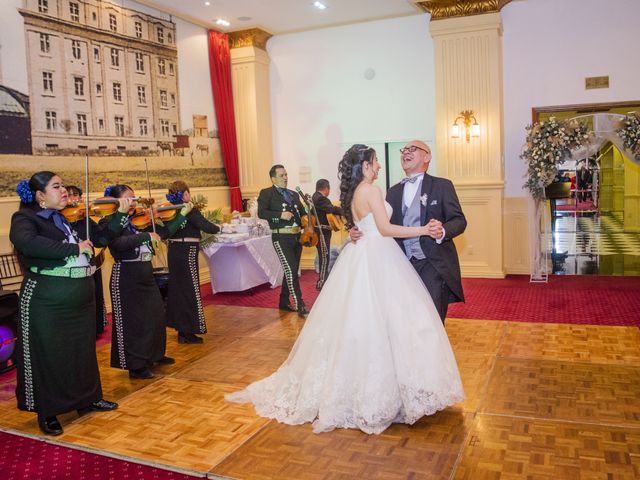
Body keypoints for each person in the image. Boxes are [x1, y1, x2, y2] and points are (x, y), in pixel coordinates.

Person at [226, 145, 464, 435]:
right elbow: (386, 229)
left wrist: (358, 232)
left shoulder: (354, 193)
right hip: (379, 256)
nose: (379, 167)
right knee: (388, 323)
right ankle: (381, 394)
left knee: (359, 324)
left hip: (362, 253)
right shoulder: (374, 191)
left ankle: (374, 387)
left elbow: (364, 225)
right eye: (375, 162)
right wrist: (424, 229)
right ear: (365, 165)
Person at [9, 172, 132, 436]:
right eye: (57, 186)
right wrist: (74, 249)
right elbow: (29, 244)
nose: (64, 190)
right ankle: (48, 410)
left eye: (63, 185)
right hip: (48, 300)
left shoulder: (69, 217)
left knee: (82, 352)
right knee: (50, 355)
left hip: (79, 297)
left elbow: (102, 239)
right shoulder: (25, 219)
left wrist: (121, 214)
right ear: (40, 195)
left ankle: (87, 398)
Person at [352, 140, 466, 323]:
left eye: (413, 149)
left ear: (427, 156)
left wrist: (442, 230)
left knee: (432, 322)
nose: (406, 152)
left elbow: (459, 221)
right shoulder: (393, 192)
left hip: (432, 264)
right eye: (404, 149)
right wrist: (358, 230)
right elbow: (381, 225)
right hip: (400, 265)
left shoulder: (442, 186)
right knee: (404, 322)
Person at [104, 184, 192, 380]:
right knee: (133, 322)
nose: (133, 202)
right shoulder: (111, 222)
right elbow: (118, 244)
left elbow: (165, 233)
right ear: (116, 201)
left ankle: (154, 355)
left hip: (145, 272)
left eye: (134, 198)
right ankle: (136, 365)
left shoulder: (138, 220)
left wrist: (181, 216)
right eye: (128, 199)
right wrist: (145, 236)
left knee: (154, 315)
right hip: (126, 274)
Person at [165, 181, 220, 344]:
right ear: (186, 194)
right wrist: (220, 228)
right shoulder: (188, 209)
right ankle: (187, 331)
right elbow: (205, 226)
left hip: (174, 251)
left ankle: (182, 329)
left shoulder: (169, 208)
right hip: (186, 250)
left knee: (178, 290)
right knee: (191, 290)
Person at [257, 165, 309, 317]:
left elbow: (303, 212)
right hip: (281, 237)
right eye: (281, 175)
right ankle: (300, 304)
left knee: (290, 271)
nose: (285, 177)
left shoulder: (293, 194)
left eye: (286, 174)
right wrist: (279, 215)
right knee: (291, 270)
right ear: (273, 178)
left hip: (297, 237)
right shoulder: (267, 193)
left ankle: (283, 301)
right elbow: (261, 212)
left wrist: (308, 212)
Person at [66, 185, 109, 335]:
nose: (73, 199)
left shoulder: (85, 218)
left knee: (94, 296)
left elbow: (100, 239)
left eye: (76, 195)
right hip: (71, 269)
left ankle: (96, 327)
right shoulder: (60, 219)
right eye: (69, 195)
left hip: (89, 263)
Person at [311, 179, 343, 290]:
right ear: (326, 188)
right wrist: (342, 211)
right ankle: (322, 282)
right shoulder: (320, 199)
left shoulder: (314, 197)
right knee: (324, 257)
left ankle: (325, 279)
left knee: (324, 256)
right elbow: (331, 209)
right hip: (322, 233)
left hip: (320, 232)